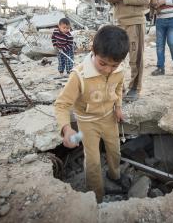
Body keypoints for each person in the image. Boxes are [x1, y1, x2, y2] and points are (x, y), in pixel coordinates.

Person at [54, 25, 130, 203]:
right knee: (93, 161)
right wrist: (66, 129)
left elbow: (118, 88)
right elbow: (61, 104)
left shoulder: (118, 71)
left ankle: (115, 175)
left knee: (114, 150)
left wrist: (118, 107)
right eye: (103, 63)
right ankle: (96, 196)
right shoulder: (79, 76)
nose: (107, 70)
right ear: (93, 51)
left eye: (114, 65)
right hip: (87, 124)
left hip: (109, 119)